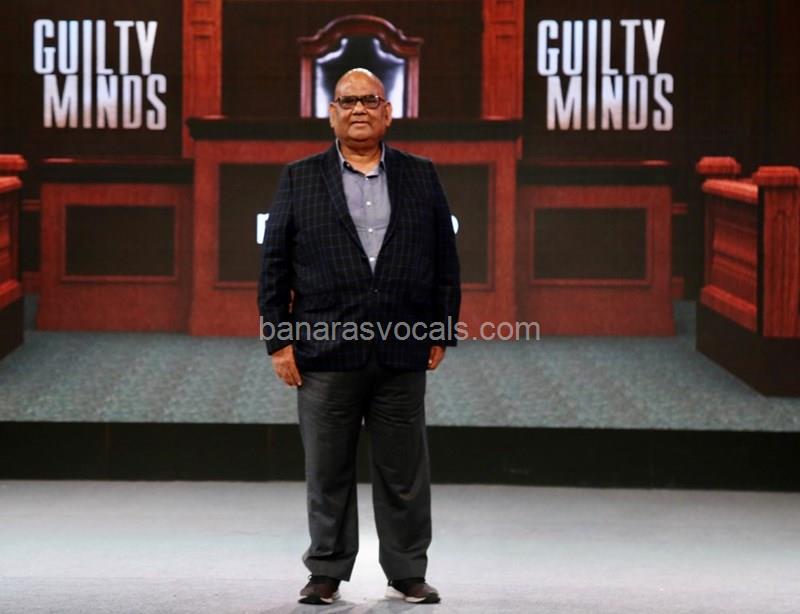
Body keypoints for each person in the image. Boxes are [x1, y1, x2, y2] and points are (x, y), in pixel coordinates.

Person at [257, 67, 460, 605]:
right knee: (327, 470)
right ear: (332, 114)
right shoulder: (300, 177)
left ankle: (407, 571)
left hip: (401, 347)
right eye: (347, 101)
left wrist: (441, 328)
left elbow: (445, 259)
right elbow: (274, 265)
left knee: (404, 472)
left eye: (370, 100)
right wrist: (278, 340)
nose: (359, 110)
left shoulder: (421, 174)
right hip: (324, 350)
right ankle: (326, 570)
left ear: (388, 112)